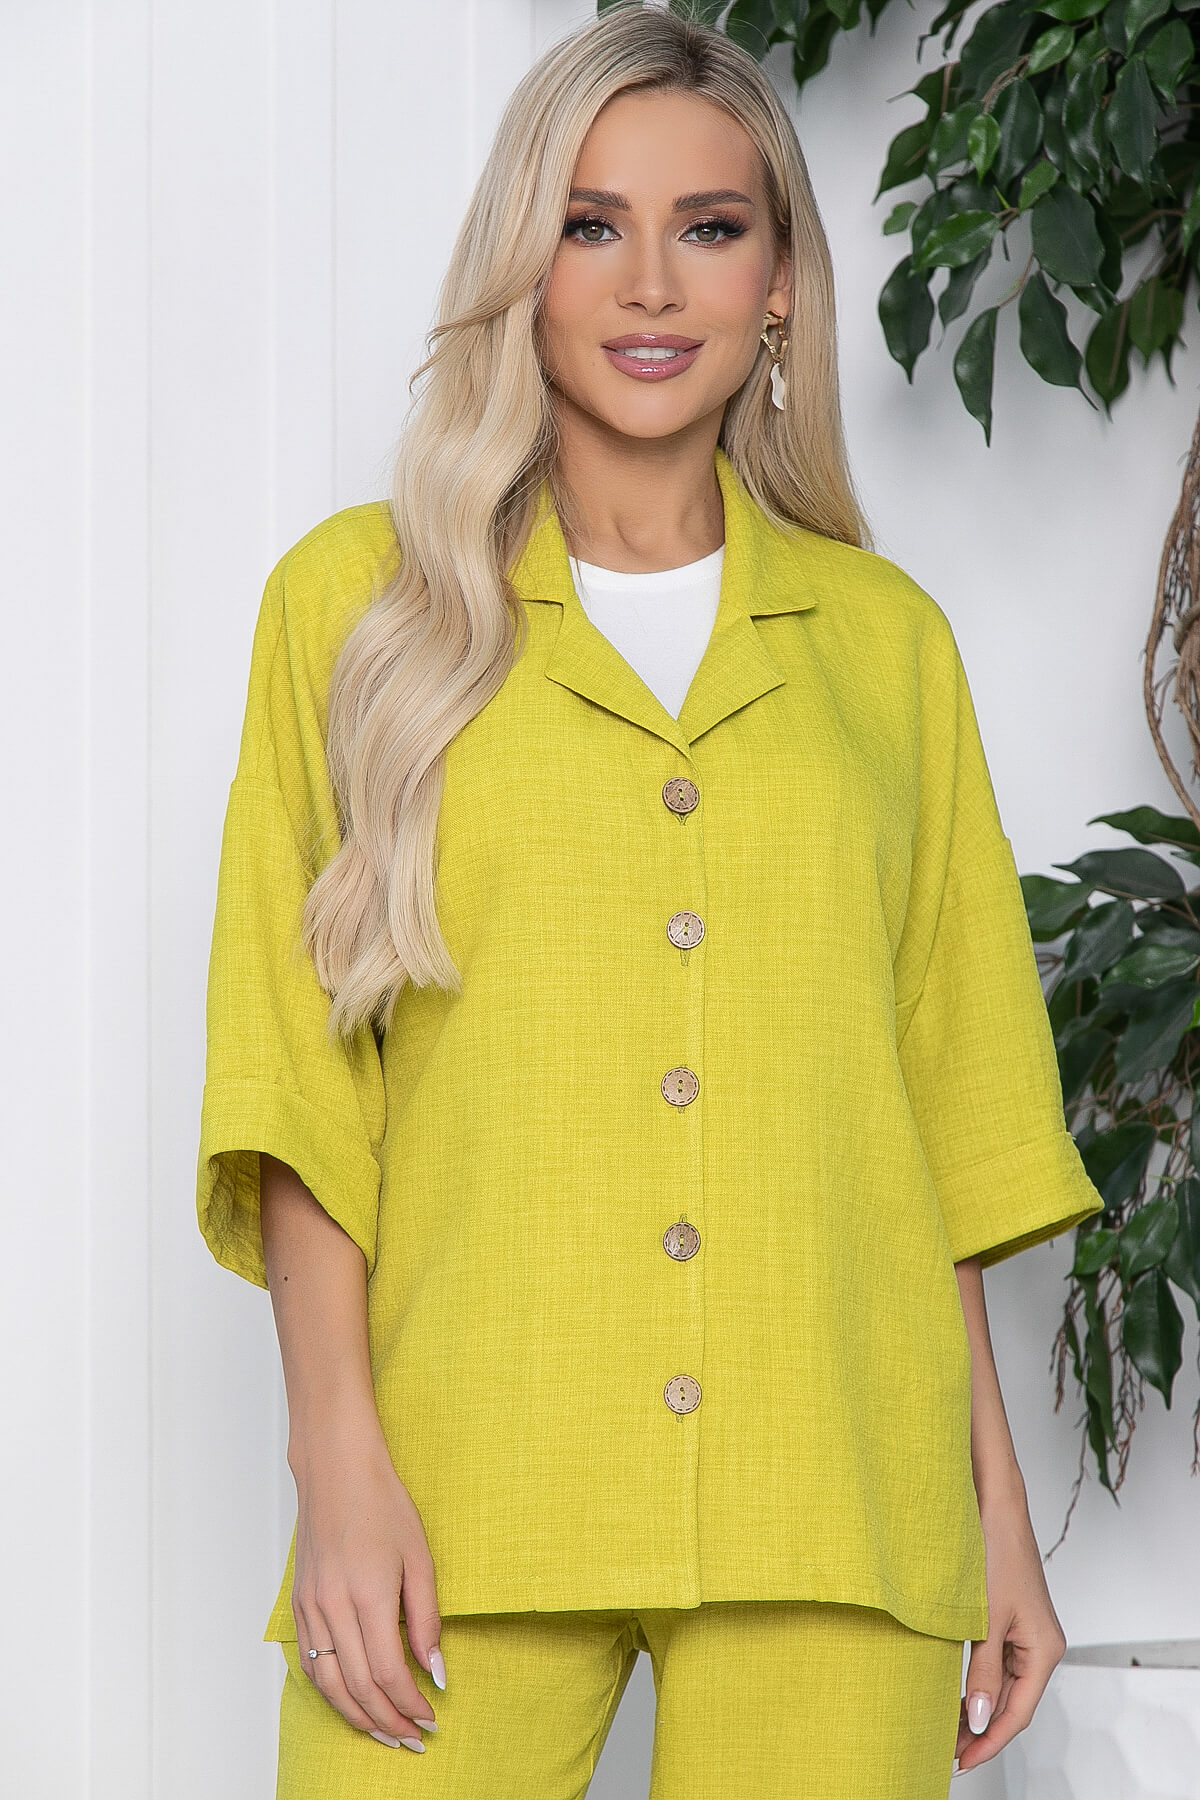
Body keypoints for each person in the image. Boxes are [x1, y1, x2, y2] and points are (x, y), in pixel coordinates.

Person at [195, 6, 1105, 1795]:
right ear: (522, 266)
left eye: (710, 227)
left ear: (780, 284)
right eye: (592, 224)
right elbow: (297, 1078)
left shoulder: (886, 647)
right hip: (466, 1479)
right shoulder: (359, 614)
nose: (651, 284)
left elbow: (933, 1120)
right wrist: (335, 1463)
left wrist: (994, 1512)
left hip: (832, 1497)